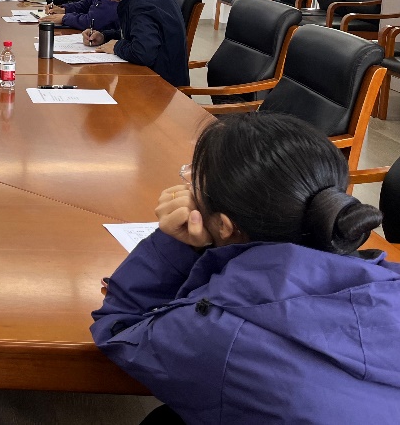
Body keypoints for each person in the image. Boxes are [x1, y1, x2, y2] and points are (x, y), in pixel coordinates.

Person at [92, 113, 400, 424]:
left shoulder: (214, 332)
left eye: (193, 184)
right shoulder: (388, 279)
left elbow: (120, 330)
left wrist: (174, 244)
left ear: (224, 226)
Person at [82, 0, 189, 86]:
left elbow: (143, 53)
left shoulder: (143, 3)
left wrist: (117, 47)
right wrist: (105, 36)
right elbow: (137, 33)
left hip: (161, 87)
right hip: (150, 76)